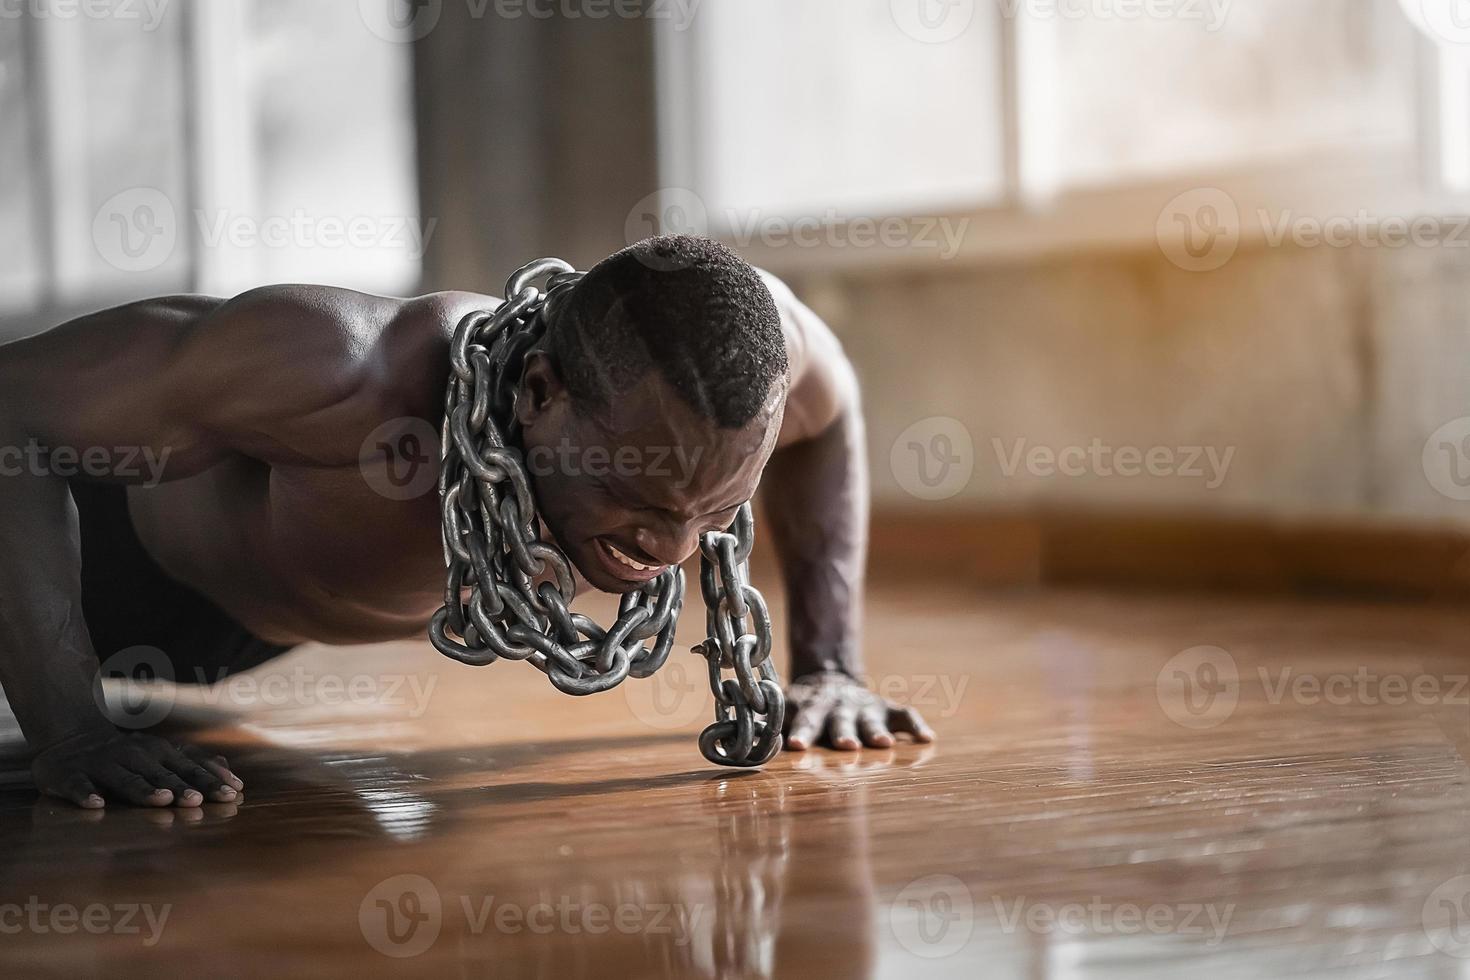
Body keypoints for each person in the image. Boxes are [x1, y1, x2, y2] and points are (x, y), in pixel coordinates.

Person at [0, 235, 934, 809]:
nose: (676, 550)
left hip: (253, 635)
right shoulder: (340, 371)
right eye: (644, 502)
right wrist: (69, 729)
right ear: (537, 392)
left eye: (718, 511)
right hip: (97, 563)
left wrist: (831, 666)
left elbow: (835, 404)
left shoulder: (758, 349)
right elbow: (12, 410)